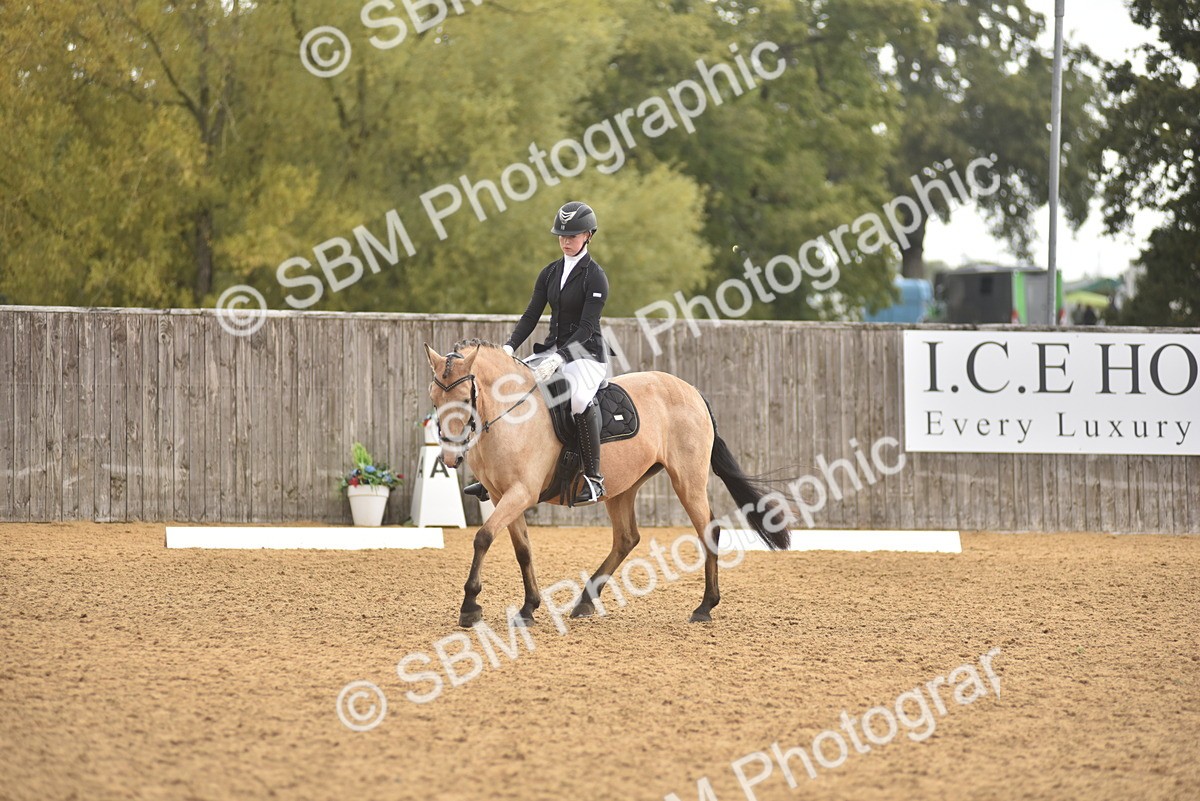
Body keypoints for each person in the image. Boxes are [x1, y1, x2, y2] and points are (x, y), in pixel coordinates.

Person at [464, 201, 610, 506]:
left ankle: (594, 478)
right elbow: (531, 315)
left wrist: (561, 358)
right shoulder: (550, 273)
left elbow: (586, 327)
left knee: (580, 399)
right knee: (512, 389)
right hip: (551, 350)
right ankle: (492, 474)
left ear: (588, 236)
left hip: (585, 354)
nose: (566, 240)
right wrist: (508, 347)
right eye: (562, 235)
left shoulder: (594, 277)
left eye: (573, 235)